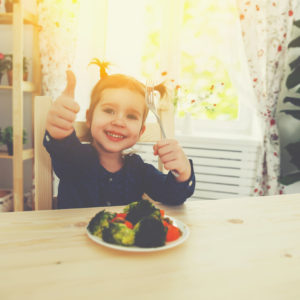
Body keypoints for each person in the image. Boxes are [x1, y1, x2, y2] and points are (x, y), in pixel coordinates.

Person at [44, 68, 195, 209]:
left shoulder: (138, 169)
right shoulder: (75, 158)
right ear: (89, 118)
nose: (118, 122)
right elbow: (63, 149)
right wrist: (60, 130)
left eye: (131, 116)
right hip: (72, 236)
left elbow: (172, 195)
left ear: (141, 131)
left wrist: (182, 172)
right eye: (109, 110)